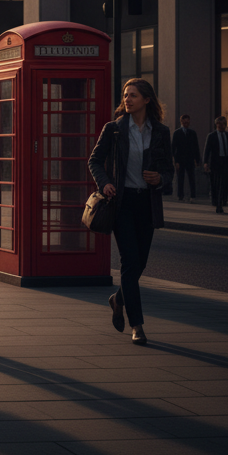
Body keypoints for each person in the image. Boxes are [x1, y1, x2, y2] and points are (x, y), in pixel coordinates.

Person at [88, 78, 172, 344]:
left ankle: (117, 299)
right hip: (121, 204)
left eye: (133, 95)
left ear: (147, 100)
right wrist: (106, 183)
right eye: (125, 95)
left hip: (146, 203)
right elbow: (94, 161)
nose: (127, 99)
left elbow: (169, 170)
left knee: (141, 263)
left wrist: (160, 179)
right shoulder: (113, 129)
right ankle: (137, 325)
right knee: (130, 262)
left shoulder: (160, 131)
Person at [204, 116, 228, 214]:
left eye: (222, 124)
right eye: (219, 124)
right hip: (215, 163)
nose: (221, 126)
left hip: (226, 163)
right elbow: (207, 150)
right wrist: (205, 162)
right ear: (216, 125)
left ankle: (223, 200)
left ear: (225, 124)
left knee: (225, 183)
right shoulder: (212, 136)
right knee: (216, 183)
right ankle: (217, 202)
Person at [171, 114, 200, 203]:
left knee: (192, 178)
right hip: (180, 159)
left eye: (188, 121)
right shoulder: (177, 133)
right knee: (180, 178)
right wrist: (176, 161)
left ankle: (193, 196)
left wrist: (197, 159)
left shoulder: (192, 133)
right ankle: (180, 195)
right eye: (185, 121)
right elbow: (173, 148)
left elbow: (196, 147)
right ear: (181, 122)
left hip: (190, 159)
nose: (186, 123)